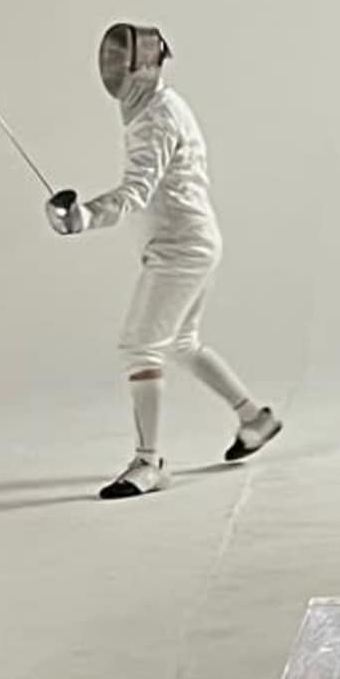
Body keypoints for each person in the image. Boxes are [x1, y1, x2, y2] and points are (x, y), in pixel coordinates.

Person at [49, 24, 280, 500]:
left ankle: (149, 462)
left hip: (182, 249)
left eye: (122, 61)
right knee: (181, 342)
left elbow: (136, 192)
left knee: (140, 347)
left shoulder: (156, 118)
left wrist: (84, 216)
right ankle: (253, 418)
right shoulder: (155, 109)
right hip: (189, 241)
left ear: (147, 65)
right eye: (110, 60)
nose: (113, 70)